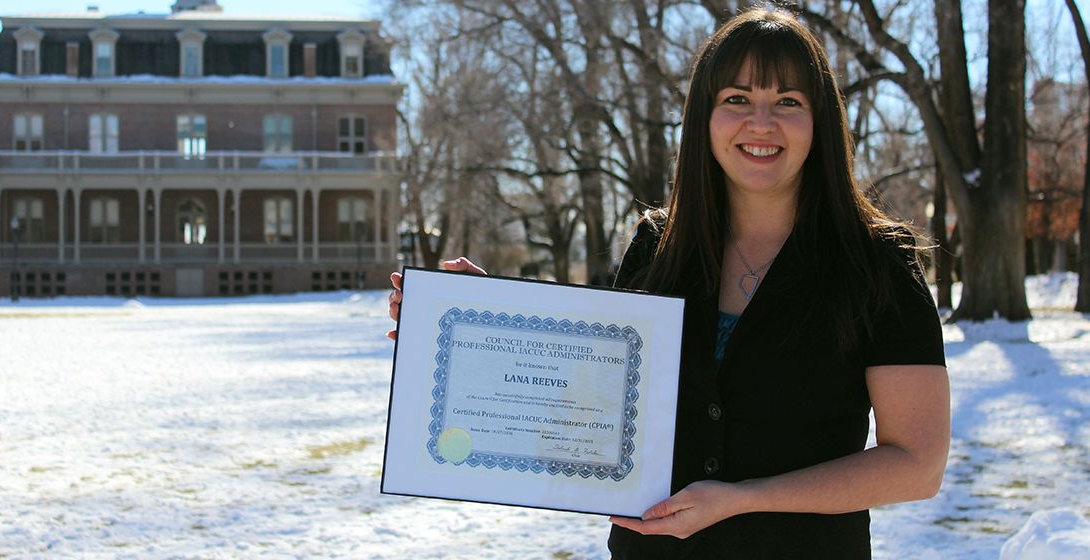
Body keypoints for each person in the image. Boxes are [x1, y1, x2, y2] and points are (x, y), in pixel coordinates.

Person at [386, 6, 949, 558]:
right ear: (703, 117)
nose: (761, 122)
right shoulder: (659, 246)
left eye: (788, 101)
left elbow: (916, 464)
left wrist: (742, 500)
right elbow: (589, 403)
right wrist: (482, 320)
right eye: (736, 99)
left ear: (820, 121)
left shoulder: (877, 264)